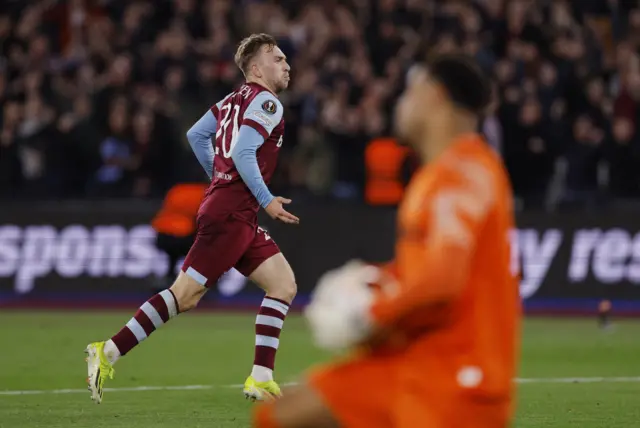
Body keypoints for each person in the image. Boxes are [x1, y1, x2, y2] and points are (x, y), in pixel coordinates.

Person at [253, 54, 521, 428]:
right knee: (282, 414)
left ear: (434, 96)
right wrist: (380, 279)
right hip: (424, 366)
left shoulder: (458, 174)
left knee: (287, 416)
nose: (402, 103)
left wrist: (370, 312)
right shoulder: (462, 169)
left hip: (453, 379)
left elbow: (442, 278)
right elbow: (436, 271)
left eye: (410, 92)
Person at [85, 33, 299, 404]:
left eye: (284, 59)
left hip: (234, 209)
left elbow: (197, 134)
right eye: (277, 59)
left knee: (283, 284)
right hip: (233, 212)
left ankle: (260, 378)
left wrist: (220, 177)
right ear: (256, 67)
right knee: (185, 296)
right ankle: (107, 351)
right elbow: (245, 152)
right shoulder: (268, 102)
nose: (286, 64)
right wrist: (264, 199)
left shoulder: (232, 100)